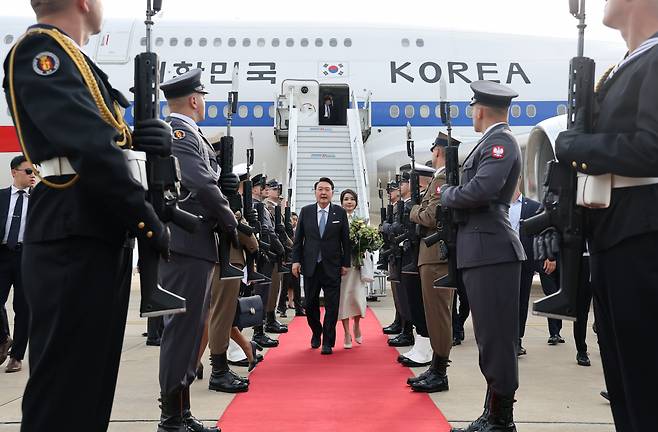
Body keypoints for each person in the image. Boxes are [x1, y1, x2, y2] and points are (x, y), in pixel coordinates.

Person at [2, 1, 171, 430]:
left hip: (94, 228)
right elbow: (91, 147)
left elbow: (103, 141)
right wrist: (146, 219)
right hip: (71, 232)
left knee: (90, 386)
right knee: (63, 392)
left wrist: (141, 140)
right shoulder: (42, 52)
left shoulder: (77, 60)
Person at [555, 2, 658, 428]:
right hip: (614, 235)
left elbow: (651, 147)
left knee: (645, 384)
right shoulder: (625, 66)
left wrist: (575, 147)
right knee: (623, 381)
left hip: (642, 237)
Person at [157, 68, 238, 432]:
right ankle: (171, 418)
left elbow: (208, 180)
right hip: (187, 242)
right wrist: (232, 222)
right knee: (182, 329)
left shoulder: (192, 134)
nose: (204, 102)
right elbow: (198, 181)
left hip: (196, 242)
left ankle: (181, 412)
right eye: (202, 96)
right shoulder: (178, 132)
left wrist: (227, 184)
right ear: (193, 99)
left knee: (191, 329)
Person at [442, 81, 525, 432]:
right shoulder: (491, 141)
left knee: (496, 339)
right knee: (488, 338)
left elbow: (483, 189)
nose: (471, 112)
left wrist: (448, 193)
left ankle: (502, 420)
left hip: (491, 251)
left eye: (472, 106)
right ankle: (492, 413)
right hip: (481, 250)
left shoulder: (500, 141)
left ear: (480, 109)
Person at [408, 133, 458, 393]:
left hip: (436, 256)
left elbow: (430, 215)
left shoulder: (442, 179)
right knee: (434, 313)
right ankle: (437, 367)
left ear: (438, 151)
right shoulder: (442, 178)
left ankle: (440, 371)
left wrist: (413, 210)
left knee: (439, 314)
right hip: (432, 256)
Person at [206, 163, 259, 394]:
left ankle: (196, 365)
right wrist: (252, 235)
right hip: (226, 261)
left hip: (219, 261)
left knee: (212, 316)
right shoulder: (223, 202)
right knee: (221, 317)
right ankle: (218, 371)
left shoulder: (214, 198)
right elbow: (243, 236)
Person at [291, 177, 350, 355]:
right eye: (320, 189)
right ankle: (316, 332)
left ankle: (328, 341)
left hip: (332, 266)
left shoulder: (339, 213)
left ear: (332, 192)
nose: (323, 192)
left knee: (332, 305)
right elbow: (298, 240)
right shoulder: (306, 211)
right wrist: (296, 260)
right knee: (309, 304)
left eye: (327, 189)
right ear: (315, 192)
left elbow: (345, 241)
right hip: (310, 266)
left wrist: (345, 263)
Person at [0, 155, 35, 373]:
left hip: (27, 257)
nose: (33, 176)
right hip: (2, 255)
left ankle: (17, 356)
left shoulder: (40, 199)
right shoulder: (2, 196)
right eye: (28, 171)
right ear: (14, 172)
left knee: (23, 308)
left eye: (35, 171)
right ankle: (3, 337)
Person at [509, 177, 541, 356]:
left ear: (519, 179)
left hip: (524, 261)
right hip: (503, 261)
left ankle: (517, 341)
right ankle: (505, 339)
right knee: (503, 302)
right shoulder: (498, 206)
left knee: (521, 303)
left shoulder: (532, 206)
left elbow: (537, 235)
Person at [337, 189, 367, 349]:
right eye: (346, 199)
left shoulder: (361, 220)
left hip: (357, 264)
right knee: (344, 298)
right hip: (343, 265)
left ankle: (356, 325)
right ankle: (346, 332)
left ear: (356, 202)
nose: (349, 202)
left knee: (357, 296)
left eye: (352, 199)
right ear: (341, 202)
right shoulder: (337, 218)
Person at [263, 179, 290, 333]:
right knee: (271, 287)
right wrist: (281, 247)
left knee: (276, 287)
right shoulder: (267, 207)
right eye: (274, 188)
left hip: (277, 253)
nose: (276, 191)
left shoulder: (276, 208)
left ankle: (271, 317)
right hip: (271, 253)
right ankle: (268, 319)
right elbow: (271, 231)